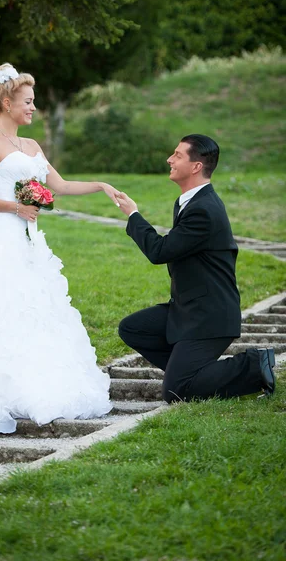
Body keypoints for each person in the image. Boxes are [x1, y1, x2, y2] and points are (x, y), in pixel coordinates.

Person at [0, 63, 117, 439]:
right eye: (28, 101)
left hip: (32, 237)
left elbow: (59, 185)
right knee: (7, 302)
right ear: (7, 103)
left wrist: (101, 185)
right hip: (3, 233)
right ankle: (3, 384)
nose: (33, 108)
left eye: (34, 102)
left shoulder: (31, 146)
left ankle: (40, 379)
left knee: (38, 304)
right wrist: (16, 207)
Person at [115, 134, 276, 403]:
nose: (169, 159)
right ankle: (192, 373)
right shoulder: (188, 201)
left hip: (209, 317)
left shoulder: (204, 209)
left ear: (196, 166)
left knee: (177, 392)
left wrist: (133, 215)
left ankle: (253, 365)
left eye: (177, 155)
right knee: (133, 328)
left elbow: (160, 252)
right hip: (188, 310)